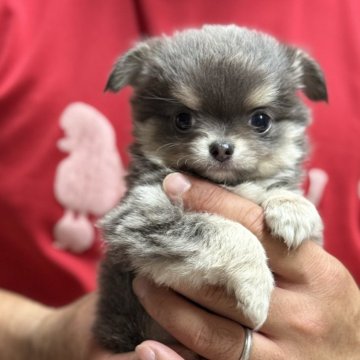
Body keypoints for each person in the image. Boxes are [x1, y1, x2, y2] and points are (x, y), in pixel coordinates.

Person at [0, 0, 359, 359]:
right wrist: (41, 337)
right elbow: (134, 230)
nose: (222, 145)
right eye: (184, 120)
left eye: (259, 121)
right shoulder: (18, 15)